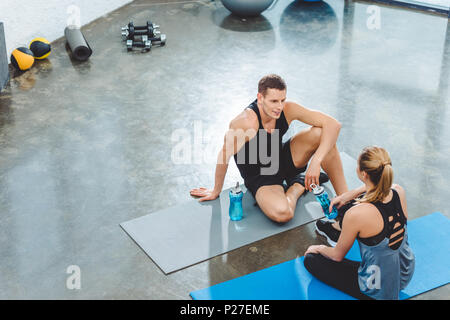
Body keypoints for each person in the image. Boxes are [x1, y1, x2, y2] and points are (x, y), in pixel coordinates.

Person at [190, 74, 348, 223]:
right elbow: (224, 155)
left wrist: (316, 161)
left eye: (282, 100)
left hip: (281, 159)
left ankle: (346, 202)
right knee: (283, 214)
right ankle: (297, 186)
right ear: (260, 98)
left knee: (323, 133)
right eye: (274, 101)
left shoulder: (287, 108)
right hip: (261, 176)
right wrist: (215, 190)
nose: (279, 106)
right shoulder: (245, 122)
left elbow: (334, 124)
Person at [304, 146, 415, 300]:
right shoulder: (398, 191)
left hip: (379, 288)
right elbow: (375, 188)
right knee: (351, 208)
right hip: (405, 273)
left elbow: (336, 256)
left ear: (363, 174)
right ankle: (338, 230)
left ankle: (335, 232)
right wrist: (348, 195)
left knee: (311, 259)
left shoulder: (356, 215)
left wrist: (318, 248)